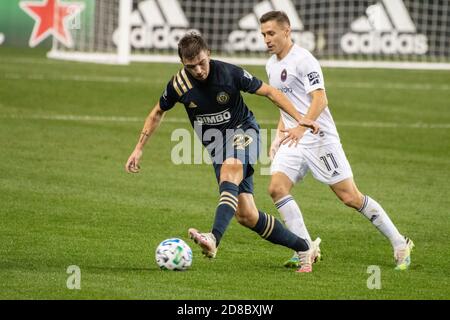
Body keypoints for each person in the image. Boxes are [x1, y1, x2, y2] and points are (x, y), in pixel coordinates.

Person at [125, 32, 322, 272]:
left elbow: (270, 92)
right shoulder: (179, 85)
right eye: (191, 66)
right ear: (182, 64)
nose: (198, 70)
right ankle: (304, 247)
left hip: (244, 131)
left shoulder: (229, 73)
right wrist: (138, 148)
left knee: (231, 169)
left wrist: (301, 119)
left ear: (208, 53)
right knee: (246, 215)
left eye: (202, 62)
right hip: (217, 146)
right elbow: (157, 112)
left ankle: (213, 239)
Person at [260, 11, 414, 272]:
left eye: (271, 33)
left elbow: (320, 100)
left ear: (287, 32)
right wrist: (279, 135)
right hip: (294, 139)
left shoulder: (304, 60)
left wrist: (300, 127)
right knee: (276, 188)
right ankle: (305, 248)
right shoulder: (271, 65)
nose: (266, 39)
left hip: (320, 139)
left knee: (350, 197)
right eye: (263, 34)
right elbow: (284, 105)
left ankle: (400, 243)